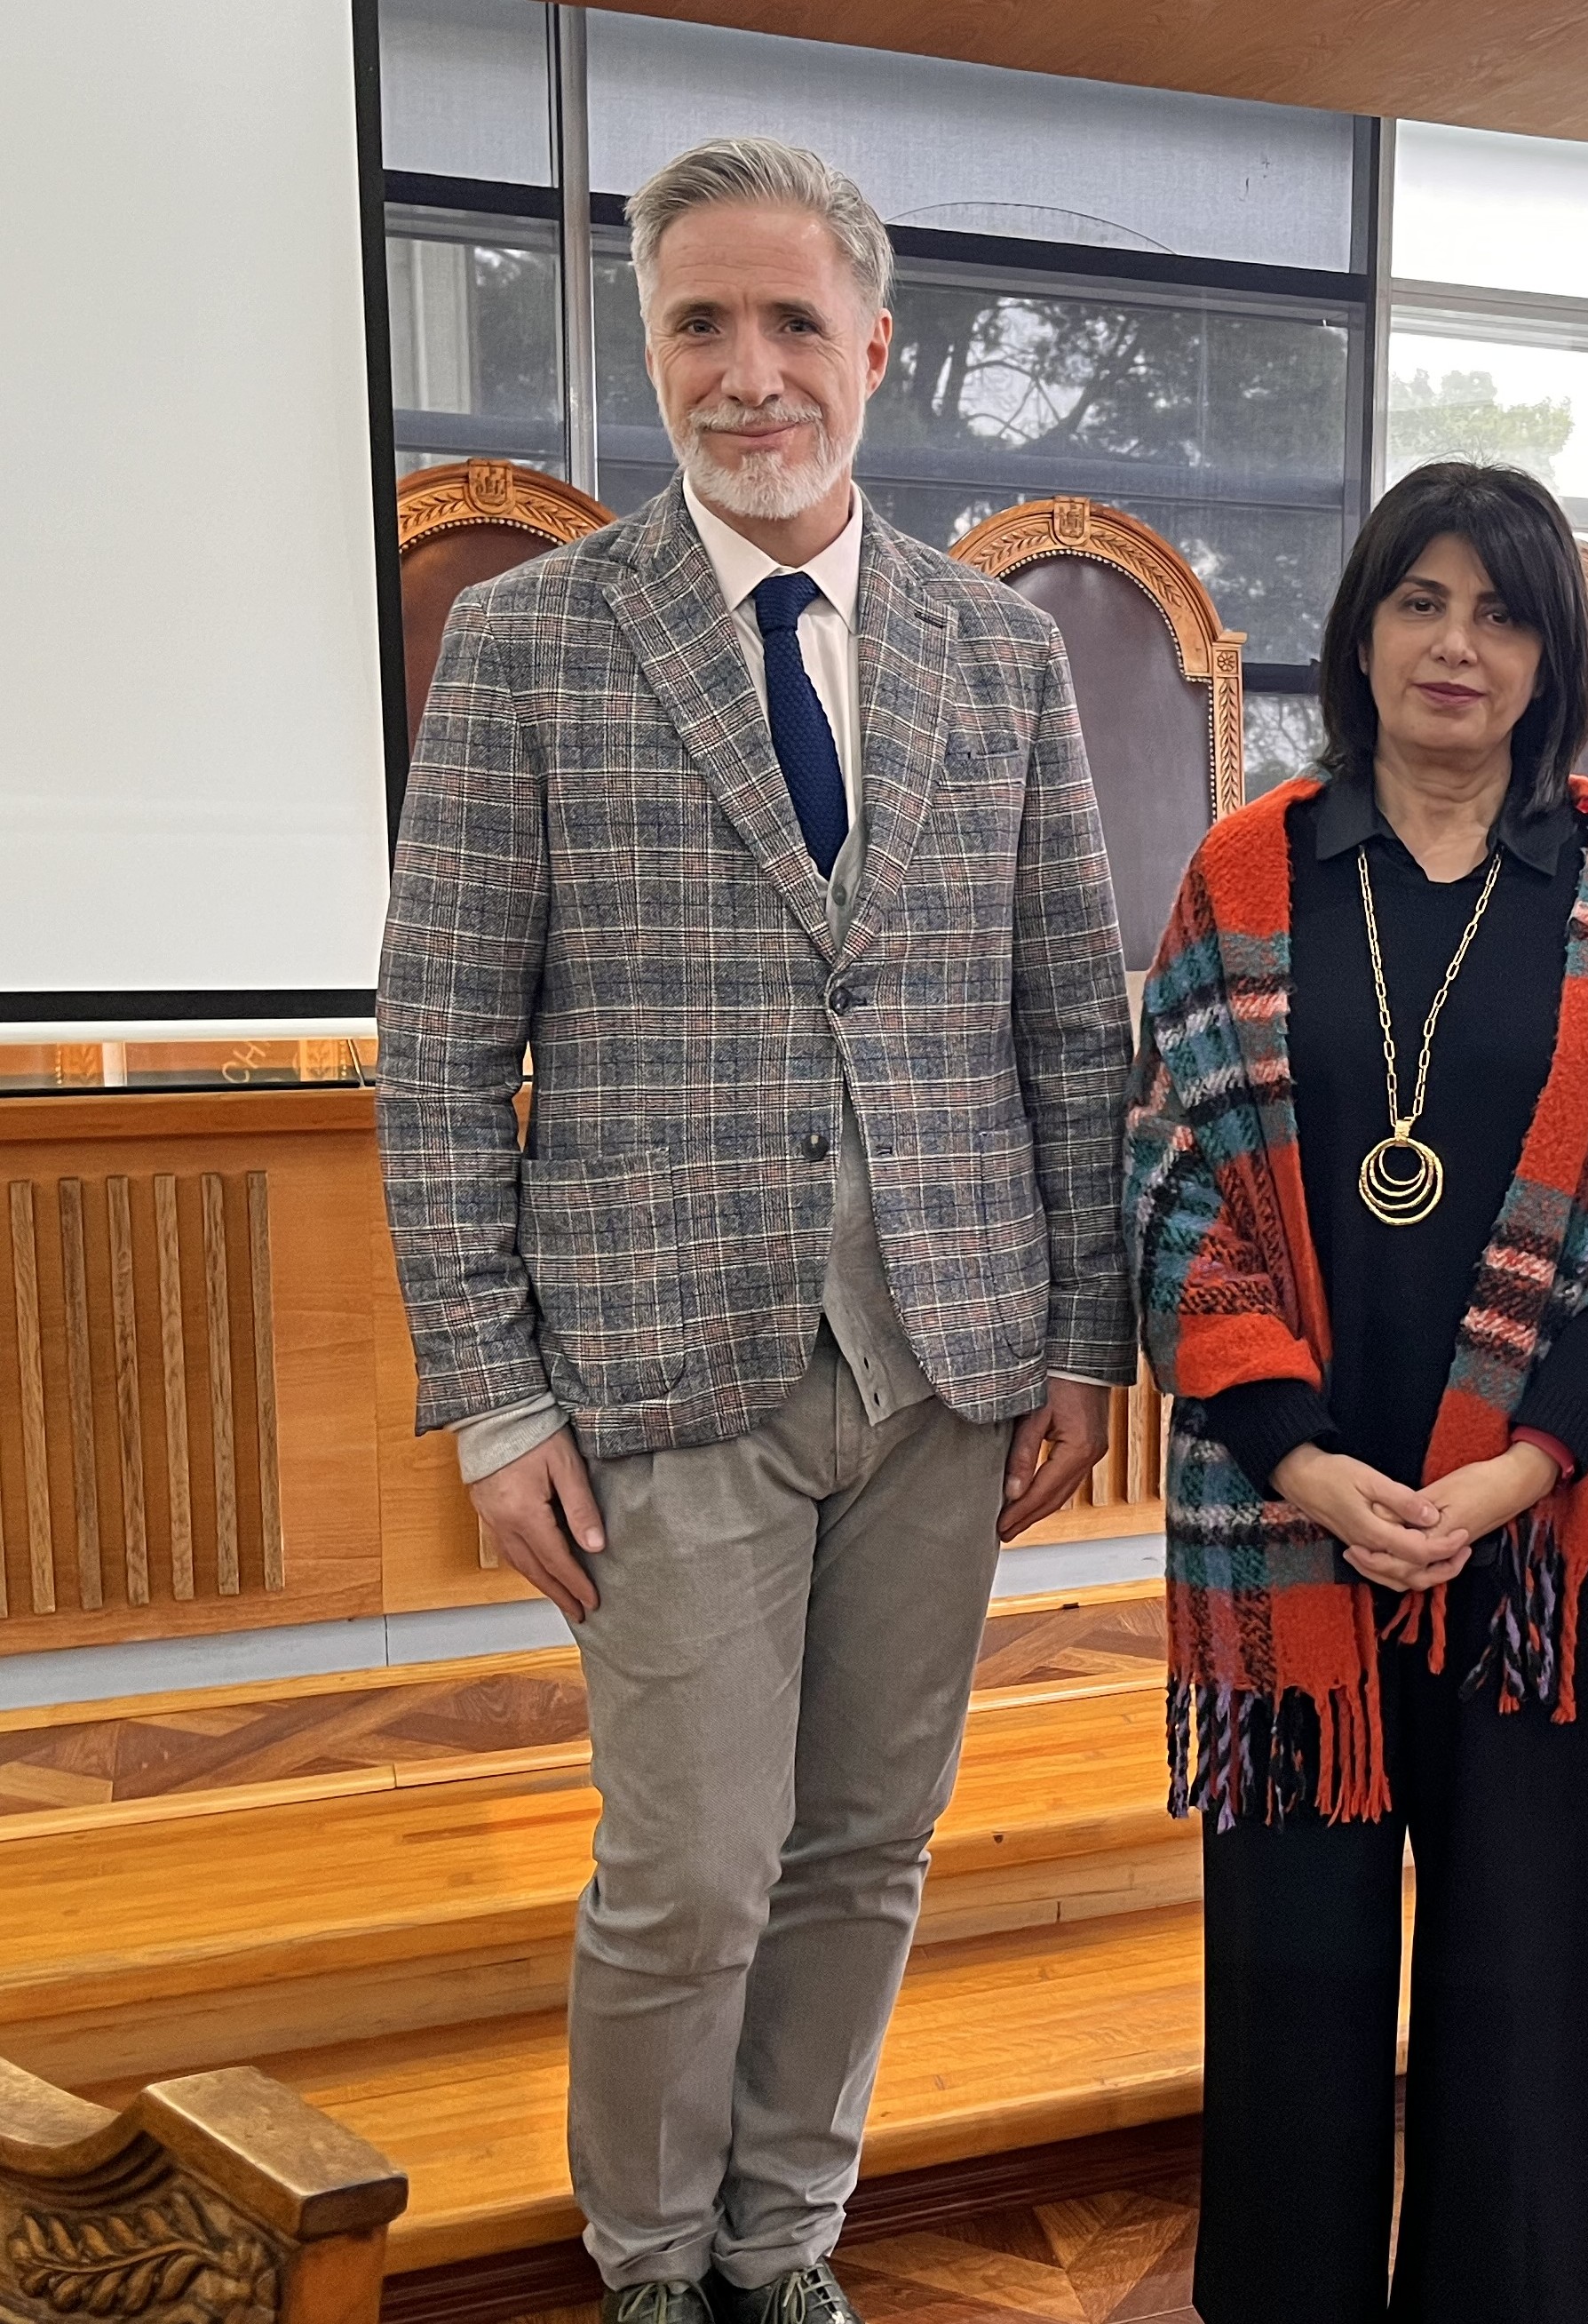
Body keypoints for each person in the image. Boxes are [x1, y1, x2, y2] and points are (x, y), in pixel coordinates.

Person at [376, 136, 1133, 2324]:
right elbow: (440, 1056)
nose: (748, 370)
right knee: (690, 1874)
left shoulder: (997, 656)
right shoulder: (530, 644)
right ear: (650, 349)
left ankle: (782, 2244)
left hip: (946, 1364)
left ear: (876, 349)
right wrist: (494, 1400)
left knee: (865, 1850)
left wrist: (1084, 1342)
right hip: (654, 1375)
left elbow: (1068, 1024)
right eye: (699, 322)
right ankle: (647, 2265)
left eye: (793, 320)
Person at [1124, 462, 1588, 2324]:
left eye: (1503, 612)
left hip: (1533, 1535)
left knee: (1524, 1984)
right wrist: (1303, 1461)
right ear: (1364, 629)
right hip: (1290, 1528)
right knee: (1293, 1985)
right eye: (1421, 601)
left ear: (1553, 661)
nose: (1458, 645)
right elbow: (1171, 1189)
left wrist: (1516, 1471)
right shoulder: (1250, 872)